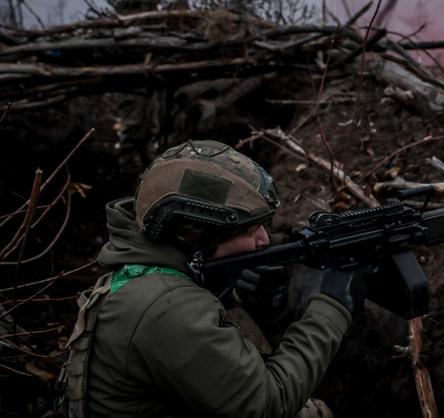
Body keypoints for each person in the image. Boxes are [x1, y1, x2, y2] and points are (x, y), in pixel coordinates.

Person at [60, 140, 364, 417]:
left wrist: (264, 312)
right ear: (196, 236)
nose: (264, 240)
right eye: (248, 231)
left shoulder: (144, 274)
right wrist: (331, 309)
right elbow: (268, 405)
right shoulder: (167, 306)